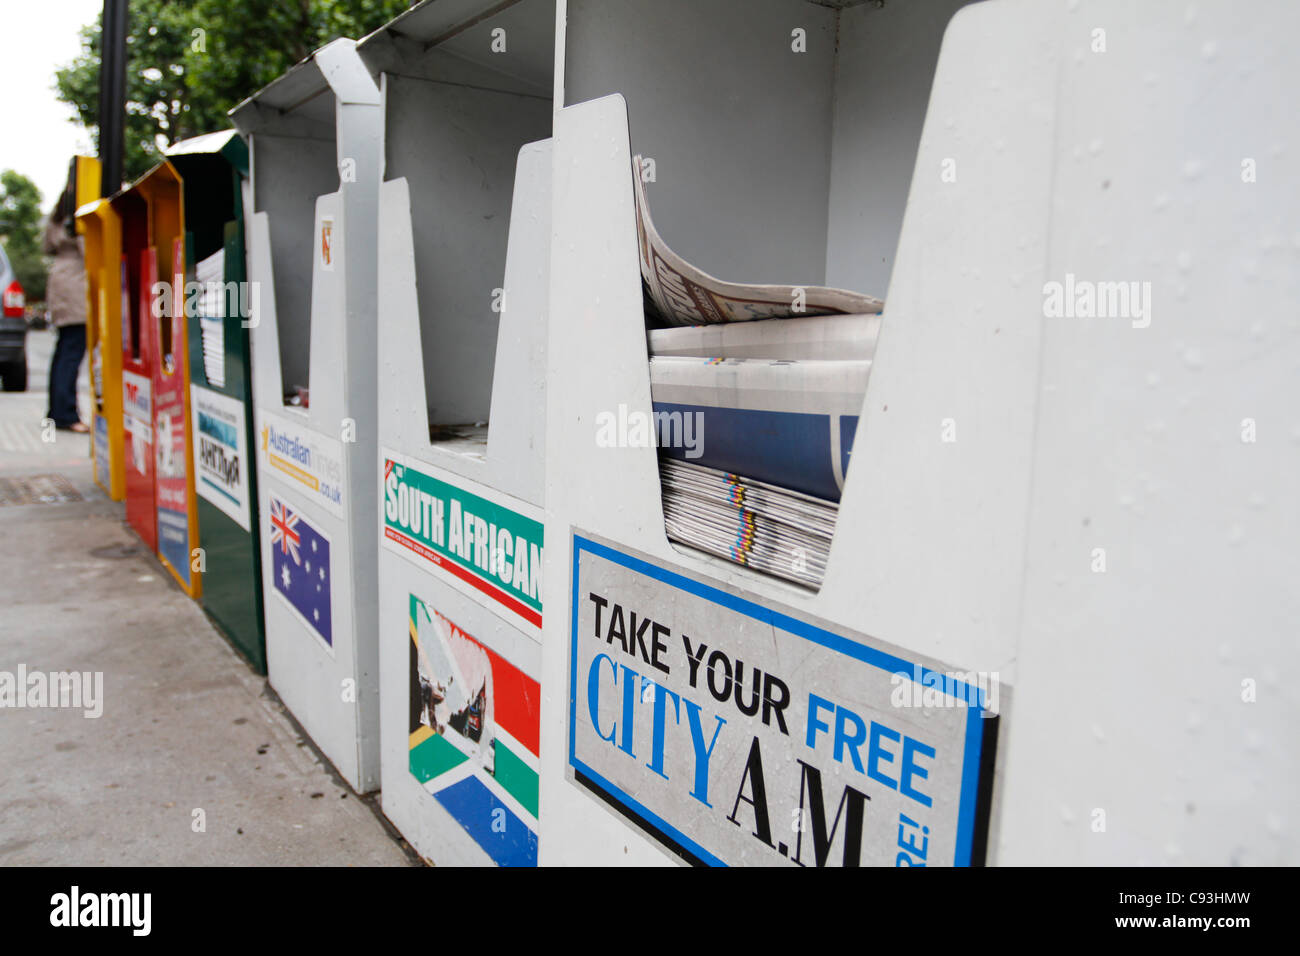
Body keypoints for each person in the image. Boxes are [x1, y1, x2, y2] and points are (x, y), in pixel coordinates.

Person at [43, 196, 89, 432]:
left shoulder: (56, 215)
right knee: (72, 350)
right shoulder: (80, 212)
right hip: (76, 284)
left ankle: (56, 411)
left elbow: (46, 247)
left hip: (58, 280)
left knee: (63, 350)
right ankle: (66, 414)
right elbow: (90, 250)